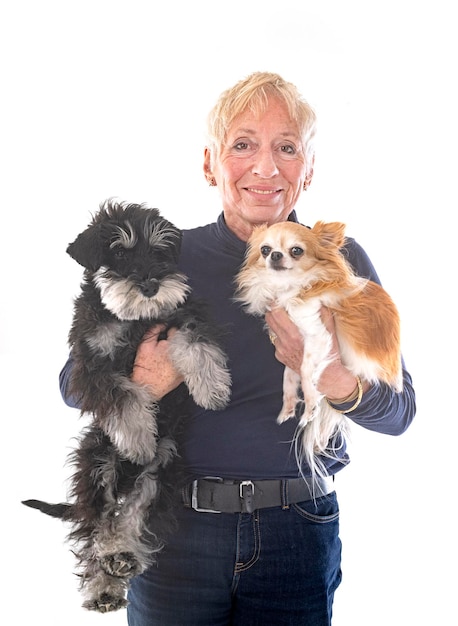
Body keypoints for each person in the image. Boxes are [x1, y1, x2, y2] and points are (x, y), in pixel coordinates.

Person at [59, 71, 416, 625]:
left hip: (297, 525)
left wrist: (334, 379)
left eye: (287, 148)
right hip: (172, 528)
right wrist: (144, 381)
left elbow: (401, 413)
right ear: (210, 164)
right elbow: (71, 383)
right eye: (243, 144)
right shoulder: (167, 258)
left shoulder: (340, 260)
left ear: (309, 169)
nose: (266, 167)